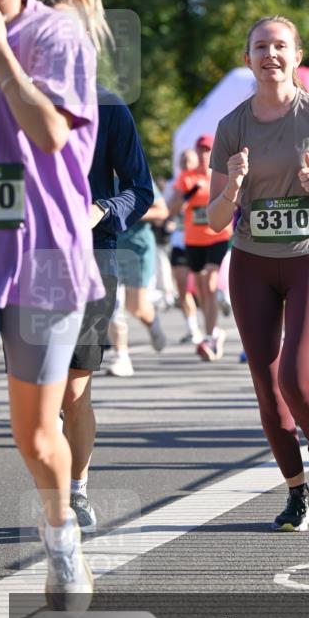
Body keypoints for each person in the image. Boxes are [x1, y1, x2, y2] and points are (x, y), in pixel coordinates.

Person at [0, 0, 107, 607]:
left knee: (36, 438)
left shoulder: (56, 34)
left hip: (44, 255)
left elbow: (49, 133)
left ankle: (62, 540)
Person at [208, 15, 309, 531]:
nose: (270, 55)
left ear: (296, 57)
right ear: (248, 58)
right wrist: (233, 188)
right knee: (266, 385)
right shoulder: (232, 126)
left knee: (297, 377)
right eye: (260, 47)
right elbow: (214, 220)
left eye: (280, 46)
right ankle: (297, 491)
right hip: (252, 262)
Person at [61, 85, 153, 532]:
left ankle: (75, 490)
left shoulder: (108, 107)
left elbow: (141, 189)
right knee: (29, 394)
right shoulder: (7, 96)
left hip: (90, 261)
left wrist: (102, 208)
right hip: (19, 261)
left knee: (72, 394)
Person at [169, 134, 233, 361]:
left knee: (209, 280)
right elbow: (172, 208)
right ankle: (213, 332)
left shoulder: (221, 175)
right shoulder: (186, 177)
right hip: (194, 240)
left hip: (218, 236)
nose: (204, 154)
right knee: (200, 288)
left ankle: (210, 335)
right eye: (200, 150)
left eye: (207, 150)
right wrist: (188, 195)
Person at [105, 183, 169, 377]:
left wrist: (124, 213)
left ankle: (153, 323)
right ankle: (121, 357)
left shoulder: (135, 174)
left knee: (136, 307)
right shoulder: (94, 173)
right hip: (108, 247)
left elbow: (162, 211)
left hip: (137, 248)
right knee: (112, 304)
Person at [167, 149, 203, 343]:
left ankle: (210, 326)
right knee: (182, 286)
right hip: (180, 240)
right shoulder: (177, 184)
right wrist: (186, 195)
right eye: (182, 160)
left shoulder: (205, 179)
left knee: (202, 286)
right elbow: (171, 210)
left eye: (188, 160)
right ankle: (193, 328)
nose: (185, 164)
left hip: (201, 240)